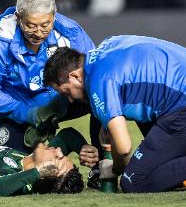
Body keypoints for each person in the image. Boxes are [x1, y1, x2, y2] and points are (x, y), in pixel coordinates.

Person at [0, 0, 102, 188]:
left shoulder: (71, 34)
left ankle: (100, 167)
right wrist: (25, 112)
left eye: (45, 24)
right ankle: (62, 143)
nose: (38, 32)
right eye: (30, 25)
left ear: (54, 15)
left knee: (98, 98)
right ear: (18, 17)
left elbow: (92, 73)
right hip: (20, 111)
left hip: (63, 100)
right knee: (18, 167)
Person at [43, 35, 186, 193]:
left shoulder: (99, 82)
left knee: (133, 180)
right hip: (175, 98)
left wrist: (116, 169)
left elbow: (124, 148)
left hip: (180, 106)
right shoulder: (108, 44)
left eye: (66, 92)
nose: (70, 100)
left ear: (75, 76)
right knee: (161, 166)